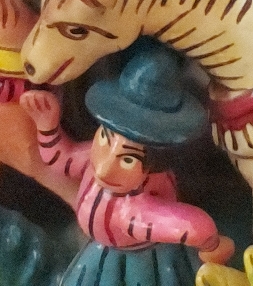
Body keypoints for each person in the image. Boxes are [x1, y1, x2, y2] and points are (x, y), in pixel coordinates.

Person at [21, 41, 234, 286]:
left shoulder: (134, 212)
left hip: (139, 264)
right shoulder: (94, 157)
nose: (104, 168)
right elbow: (62, 159)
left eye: (129, 159)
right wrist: (47, 125)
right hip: (99, 254)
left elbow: (193, 225)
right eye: (104, 137)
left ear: (153, 164)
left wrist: (213, 245)